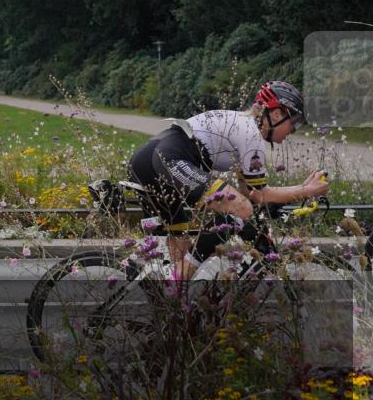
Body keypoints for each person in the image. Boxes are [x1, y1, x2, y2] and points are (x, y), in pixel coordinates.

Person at [126, 81, 330, 279]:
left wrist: (292, 193)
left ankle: (146, 284)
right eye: (294, 123)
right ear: (277, 114)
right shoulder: (251, 133)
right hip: (169, 158)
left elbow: (250, 192)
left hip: (147, 159)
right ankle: (177, 279)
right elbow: (259, 195)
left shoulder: (243, 124)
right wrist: (306, 190)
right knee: (241, 209)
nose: (292, 131)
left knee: (179, 247)